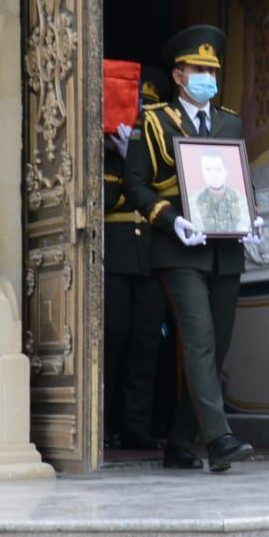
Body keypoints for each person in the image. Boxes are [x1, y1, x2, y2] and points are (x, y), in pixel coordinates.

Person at [123, 25, 257, 472]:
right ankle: (218, 440)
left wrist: (251, 215)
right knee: (198, 341)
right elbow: (136, 185)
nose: (207, 78)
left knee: (216, 348)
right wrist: (170, 219)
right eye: (198, 69)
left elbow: (238, 179)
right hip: (179, 246)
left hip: (225, 249)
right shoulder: (155, 121)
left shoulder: (230, 121)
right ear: (178, 75)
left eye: (211, 70)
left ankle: (179, 441)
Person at [103, 65, 169, 449]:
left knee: (146, 343)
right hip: (114, 258)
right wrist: (125, 160)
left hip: (149, 257)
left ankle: (136, 429)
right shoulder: (99, 152)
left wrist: (139, 159)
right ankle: (102, 426)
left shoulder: (157, 155)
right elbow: (107, 199)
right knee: (114, 340)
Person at [188, 150, 248, 234]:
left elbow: (245, 229)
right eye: (208, 170)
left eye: (218, 169)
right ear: (202, 172)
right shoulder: (191, 201)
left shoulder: (241, 200)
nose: (213, 174)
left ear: (226, 171)